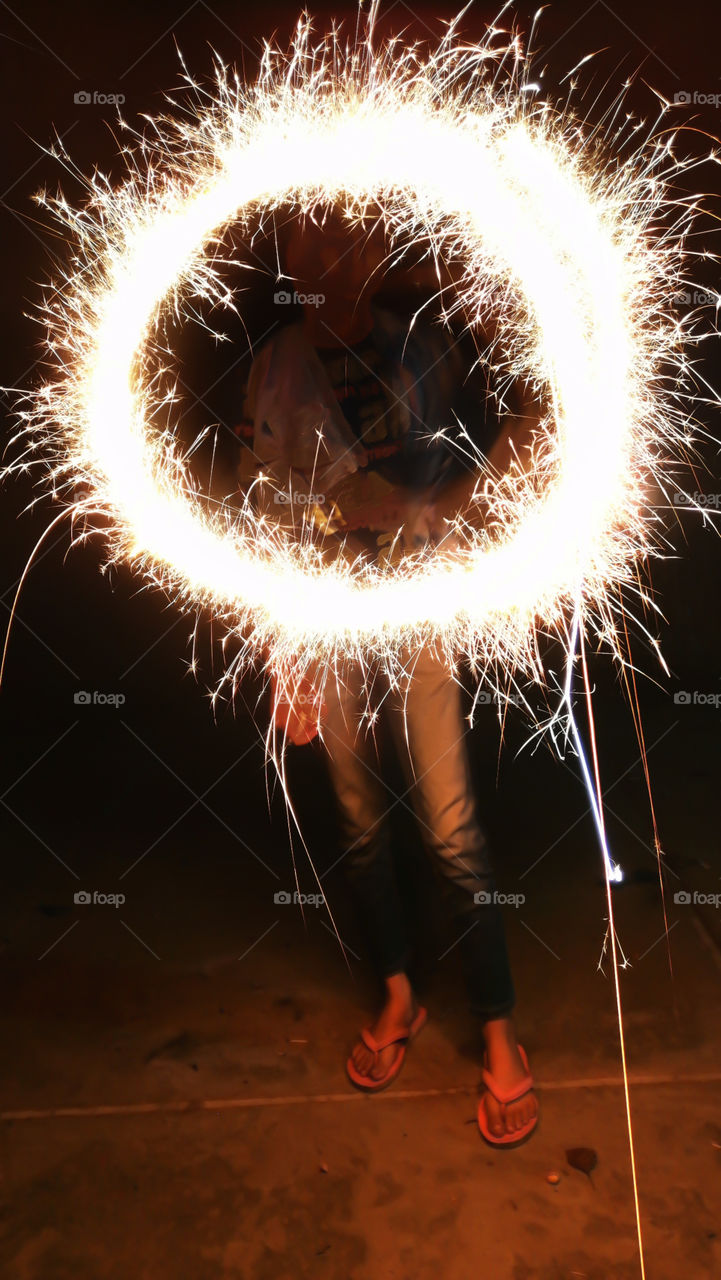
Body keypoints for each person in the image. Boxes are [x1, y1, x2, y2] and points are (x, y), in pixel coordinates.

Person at [240, 210, 538, 1146]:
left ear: (372, 256)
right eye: (311, 245)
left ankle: (498, 1032)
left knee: (450, 823)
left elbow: (492, 462)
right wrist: (285, 649)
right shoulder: (276, 369)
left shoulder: (422, 350)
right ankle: (401, 994)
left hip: (420, 607)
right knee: (359, 817)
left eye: (348, 243)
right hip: (326, 620)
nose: (333, 262)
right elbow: (264, 514)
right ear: (291, 259)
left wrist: (414, 502)